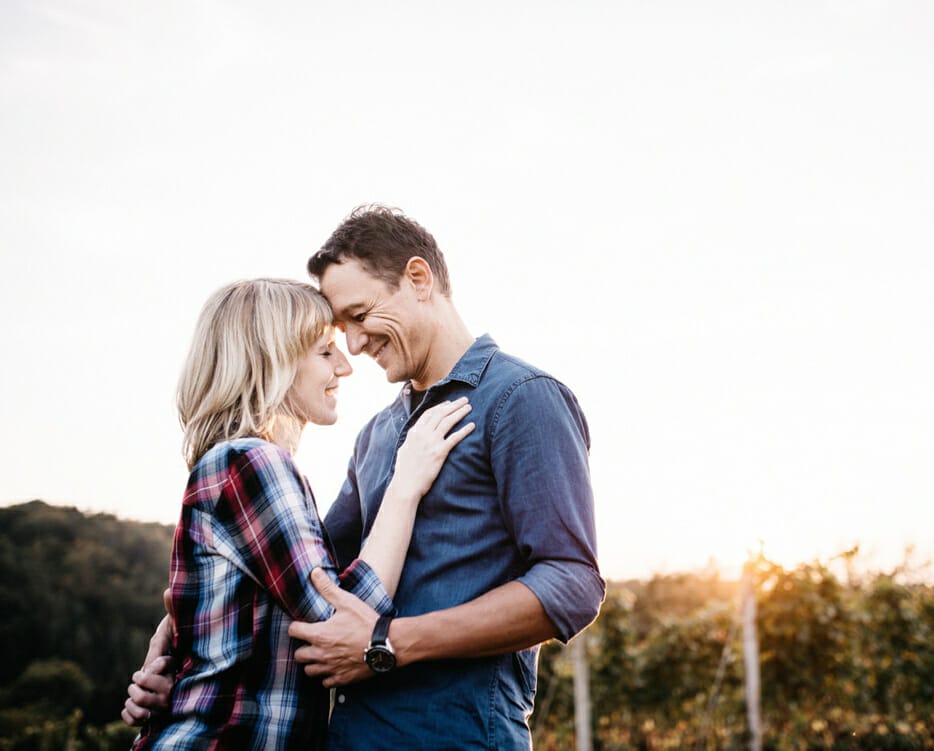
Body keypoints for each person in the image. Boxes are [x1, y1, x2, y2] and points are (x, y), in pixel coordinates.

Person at [126, 206, 605, 749]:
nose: (353, 344)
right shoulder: (378, 434)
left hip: (454, 737)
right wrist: (179, 641)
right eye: (339, 329)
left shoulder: (522, 399)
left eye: (360, 314)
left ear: (418, 280)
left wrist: (387, 642)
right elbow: (310, 579)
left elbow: (573, 583)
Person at [124, 278, 474, 751]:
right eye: (324, 351)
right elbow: (342, 620)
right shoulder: (252, 462)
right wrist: (405, 484)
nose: (345, 366)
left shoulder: (236, 464)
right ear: (273, 359)